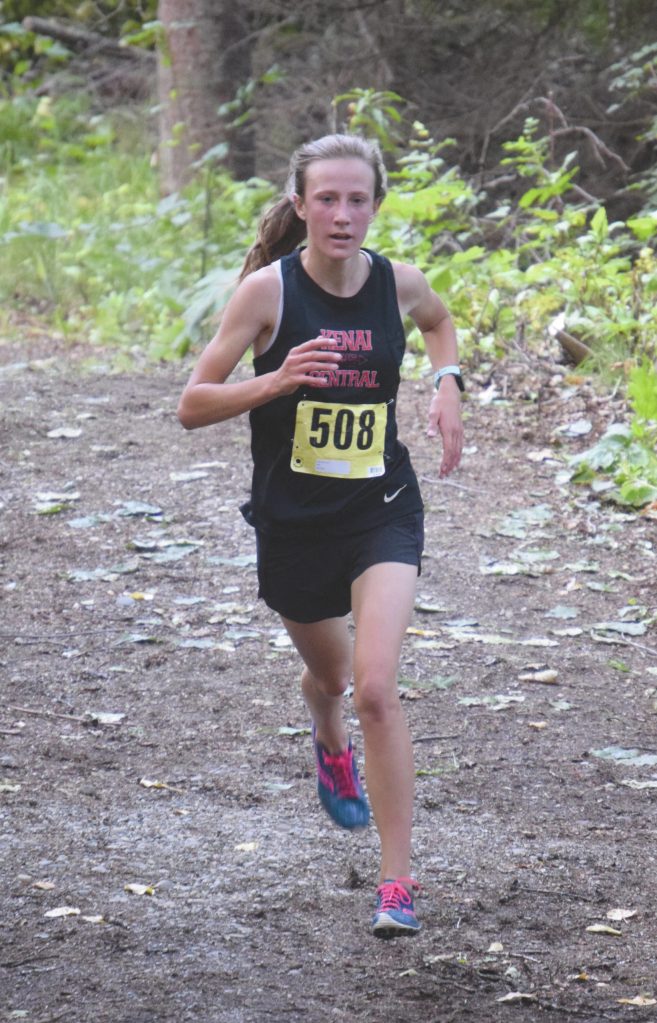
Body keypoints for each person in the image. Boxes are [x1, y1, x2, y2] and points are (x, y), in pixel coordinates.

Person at [177, 133, 464, 938]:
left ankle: (397, 883)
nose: (343, 215)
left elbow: (439, 323)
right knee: (334, 681)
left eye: (357, 199)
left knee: (377, 686)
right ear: (300, 205)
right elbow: (191, 403)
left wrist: (447, 383)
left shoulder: (397, 283)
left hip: (382, 507)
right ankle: (322, 724)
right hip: (293, 522)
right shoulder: (266, 296)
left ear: (376, 204)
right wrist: (274, 379)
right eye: (327, 199)